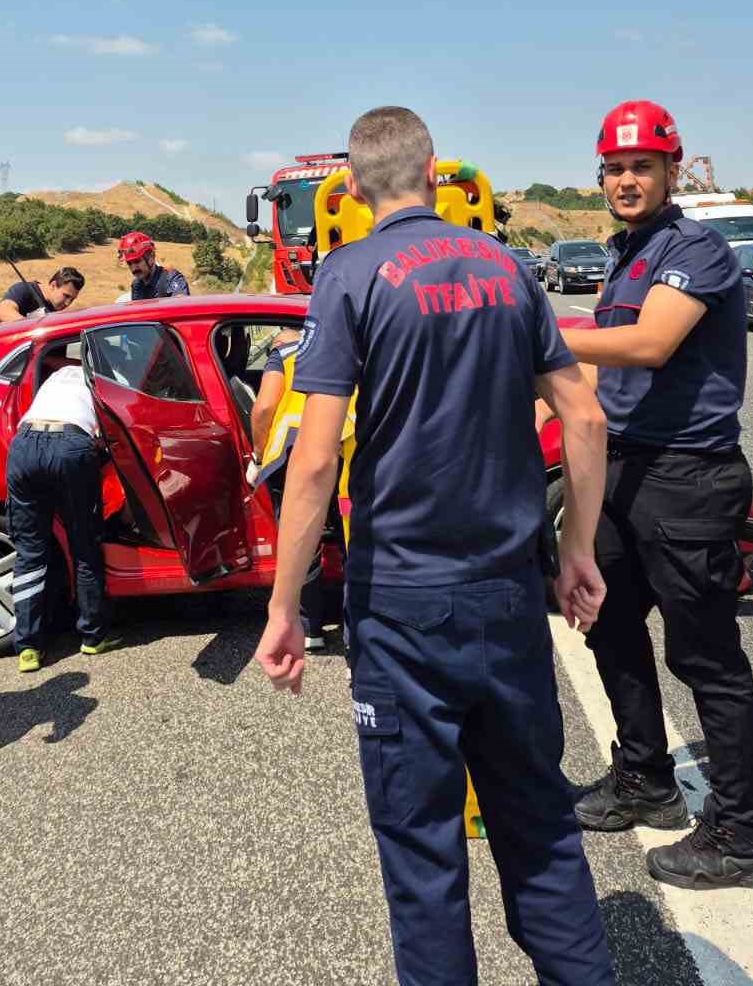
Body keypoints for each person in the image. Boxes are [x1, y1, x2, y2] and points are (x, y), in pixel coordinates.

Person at [254, 106, 615, 986]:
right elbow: (586, 415)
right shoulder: (507, 269)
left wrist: (285, 604)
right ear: (430, 173)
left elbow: (310, 460)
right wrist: (577, 549)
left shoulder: (348, 276)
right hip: (507, 594)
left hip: (405, 603)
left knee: (422, 853)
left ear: (350, 186)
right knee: (538, 823)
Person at [562, 99, 753, 890]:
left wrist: (535, 337)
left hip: (688, 479)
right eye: (615, 169)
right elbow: (590, 373)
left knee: (707, 657)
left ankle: (743, 835)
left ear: (671, 169)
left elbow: (649, 345)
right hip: (625, 470)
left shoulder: (700, 250)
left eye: (641, 167)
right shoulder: (627, 252)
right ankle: (645, 778)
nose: (626, 180)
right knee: (607, 621)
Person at [5, 359, 121, 668]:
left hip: (24, 444)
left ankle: (28, 647)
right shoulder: (104, 378)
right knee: (84, 544)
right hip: (70, 444)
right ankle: (93, 636)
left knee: (30, 552)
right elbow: (111, 433)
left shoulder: (55, 377)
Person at [250, 328, 343, 651]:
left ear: (279, 342)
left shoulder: (281, 356)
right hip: (345, 449)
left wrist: (257, 456)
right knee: (351, 539)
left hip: (292, 456)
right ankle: (355, 633)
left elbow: (263, 409)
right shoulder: (338, 346)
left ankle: (309, 628)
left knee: (302, 537)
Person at [0, 266, 84, 323]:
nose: (67, 303)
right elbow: (3, 312)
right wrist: (33, 325)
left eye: (72, 299)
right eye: (66, 296)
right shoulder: (23, 289)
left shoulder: (55, 305)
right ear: (53, 285)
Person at [118, 231, 190, 300]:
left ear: (151, 257)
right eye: (129, 263)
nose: (133, 268)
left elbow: (182, 304)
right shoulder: (136, 285)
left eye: (137, 261)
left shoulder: (171, 278)